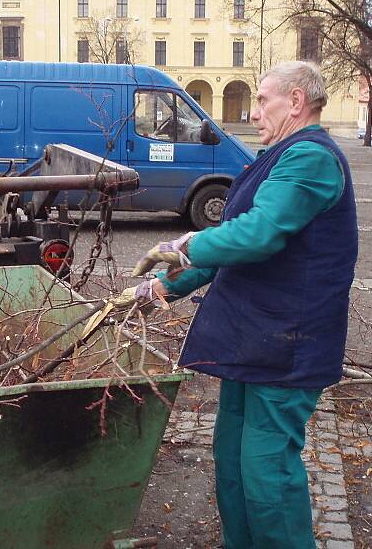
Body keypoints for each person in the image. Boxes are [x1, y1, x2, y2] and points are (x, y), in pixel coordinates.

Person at [123, 61, 358, 548]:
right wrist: (164, 288)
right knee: (232, 461)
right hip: (254, 341)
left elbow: (257, 236)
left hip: (288, 345)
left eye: (262, 100)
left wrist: (185, 243)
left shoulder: (310, 158)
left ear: (296, 101)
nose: (252, 114)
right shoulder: (278, 156)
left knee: (266, 474)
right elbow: (232, 249)